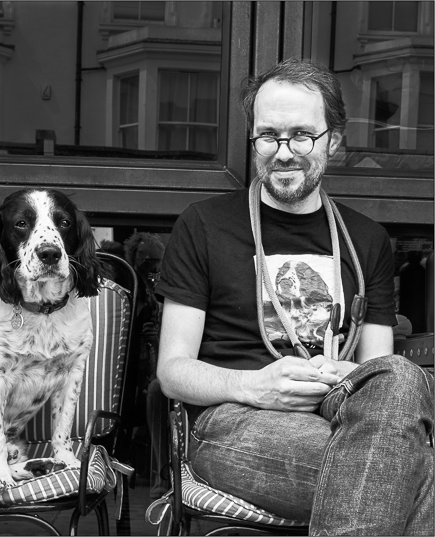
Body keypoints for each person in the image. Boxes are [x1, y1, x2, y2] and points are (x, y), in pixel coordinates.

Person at [155, 58, 433, 535]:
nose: (283, 153)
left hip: (343, 413)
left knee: (401, 376)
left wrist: (345, 374)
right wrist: (252, 387)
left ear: (334, 142)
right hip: (234, 420)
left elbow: (380, 374)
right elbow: (172, 372)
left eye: (301, 135)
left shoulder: (367, 239)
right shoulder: (203, 225)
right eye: (268, 136)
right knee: (412, 472)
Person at [123, 232, 170, 498]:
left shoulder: (159, 289)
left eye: (157, 261)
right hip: (131, 370)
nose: (153, 266)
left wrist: (158, 337)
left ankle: (160, 475)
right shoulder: (129, 287)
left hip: (156, 367)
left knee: (157, 392)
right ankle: (157, 475)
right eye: (148, 260)